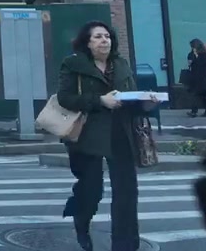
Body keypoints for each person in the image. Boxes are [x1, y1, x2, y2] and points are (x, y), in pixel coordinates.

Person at [56, 21, 146, 251]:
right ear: (87, 42)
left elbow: (132, 97)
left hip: (120, 133)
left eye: (107, 36)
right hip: (87, 135)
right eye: (97, 37)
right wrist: (100, 101)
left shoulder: (121, 64)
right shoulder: (73, 64)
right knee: (91, 189)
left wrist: (146, 102)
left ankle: (125, 245)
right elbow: (65, 98)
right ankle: (81, 221)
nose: (104, 40)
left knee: (126, 191)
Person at [185, 38, 206, 118]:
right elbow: (190, 62)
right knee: (201, 95)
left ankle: (194, 111)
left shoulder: (204, 54)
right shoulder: (193, 53)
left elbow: (202, 64)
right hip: (197, 77)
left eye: (192, 46)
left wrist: (196, 56)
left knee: (196, 94)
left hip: (201, 77)